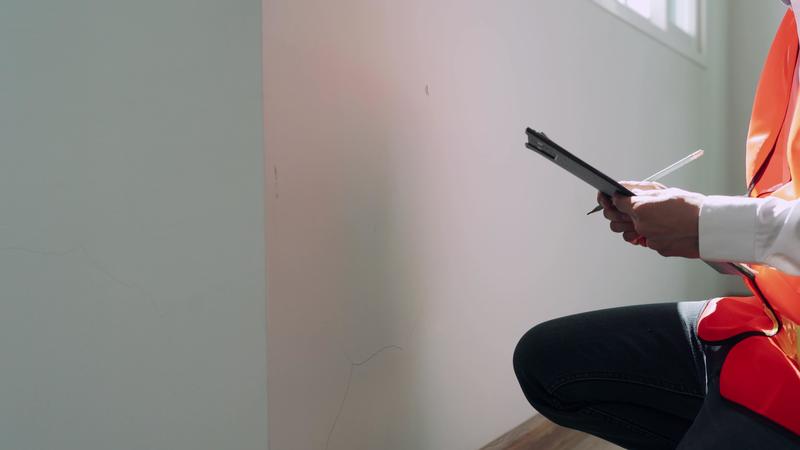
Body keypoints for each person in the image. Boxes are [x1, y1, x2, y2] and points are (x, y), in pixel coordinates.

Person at [513, 2, 800, 449]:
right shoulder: (792, 28)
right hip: (775, 323)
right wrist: (696, 230)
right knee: (547, 361)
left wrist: (706, 223)